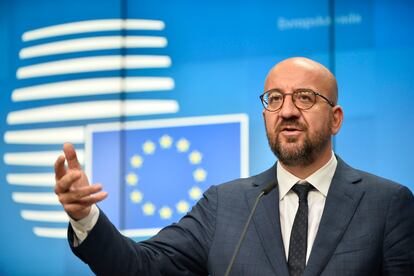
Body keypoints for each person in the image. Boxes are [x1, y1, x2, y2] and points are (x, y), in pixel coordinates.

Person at [55, 57, 414, 275]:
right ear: (264, 114)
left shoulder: (387, 204)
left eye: (305, 97)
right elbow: (143, 267)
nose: (287, 111)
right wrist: (86, 218)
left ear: (335, 119)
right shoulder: (225, 205)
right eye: (275, 99)